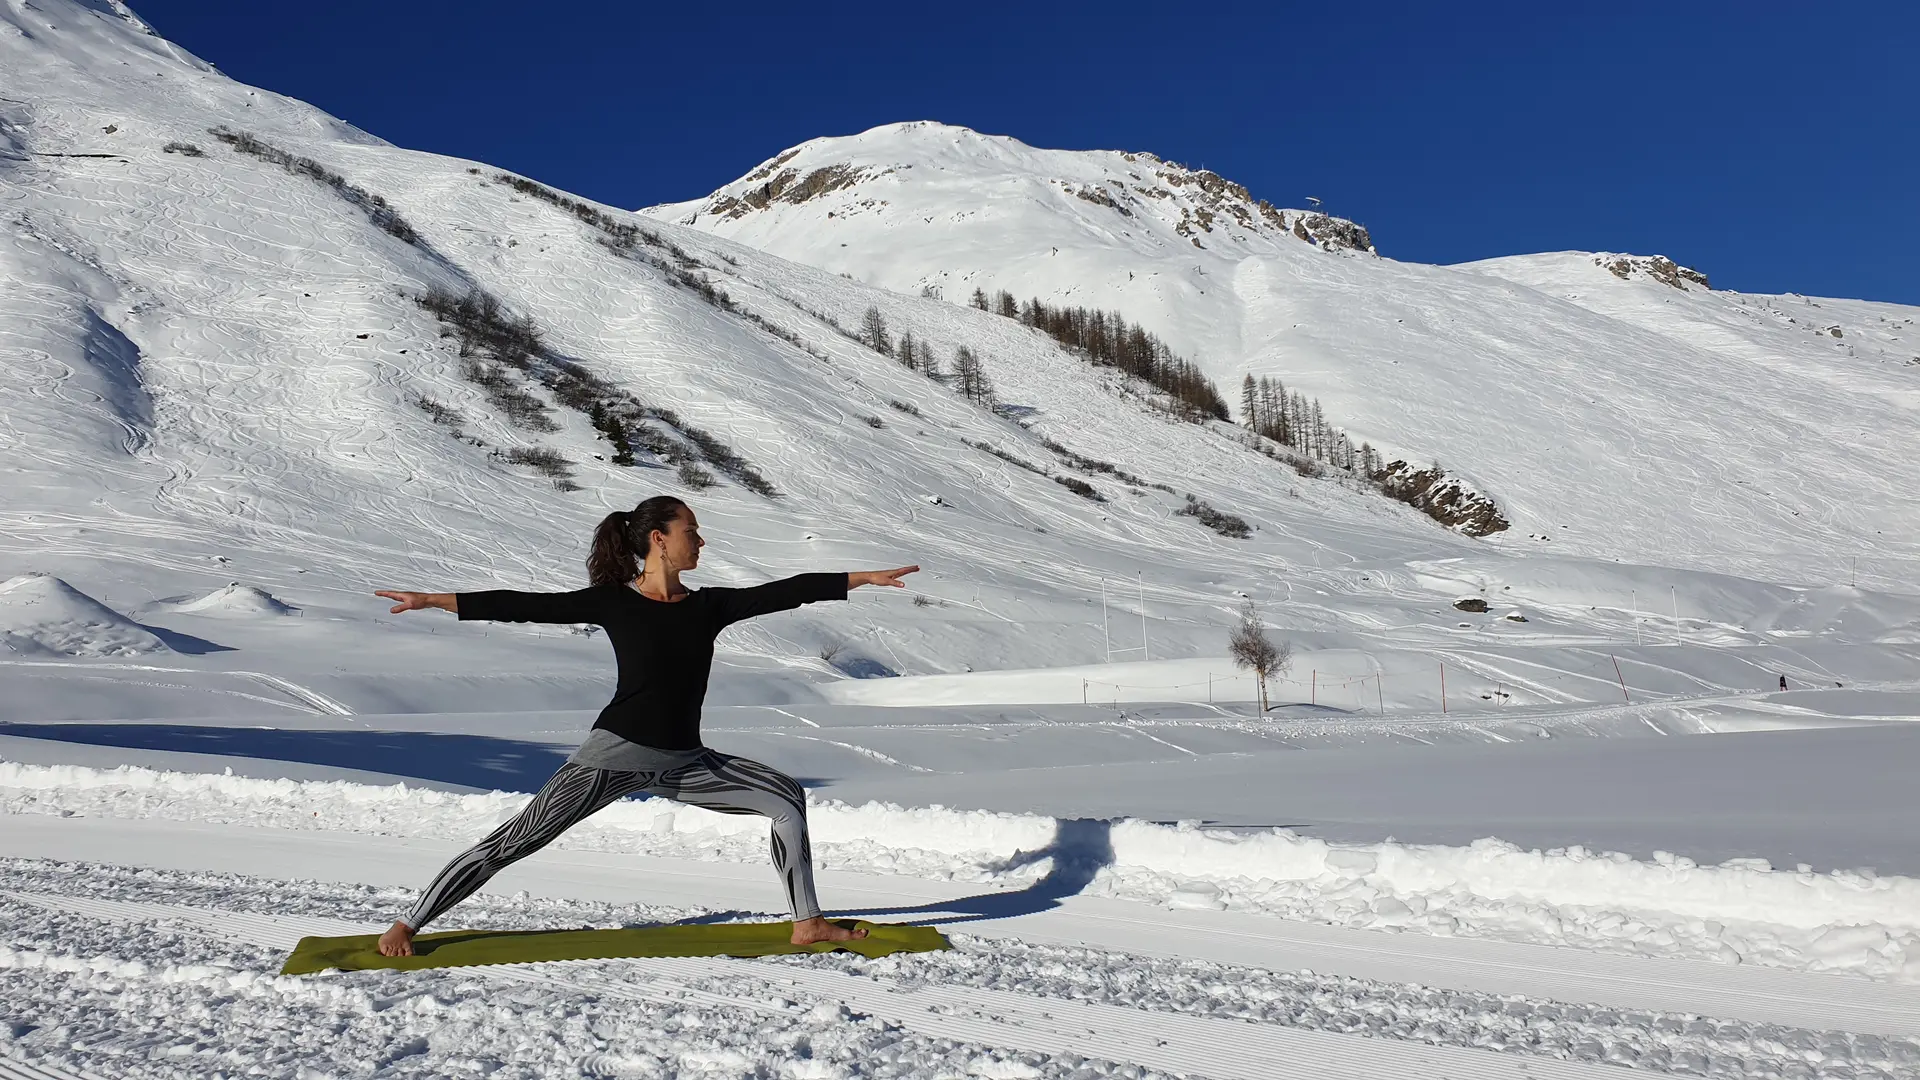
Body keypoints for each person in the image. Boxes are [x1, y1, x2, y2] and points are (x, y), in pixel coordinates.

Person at [371, 495, 919, 956]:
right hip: (613, 759)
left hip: (684, 761)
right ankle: (408, 923)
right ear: (658, 539)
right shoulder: (615, 603)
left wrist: (860, 578)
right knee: (513, 843)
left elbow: (783, 590)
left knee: (784, 797)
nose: (700, 543)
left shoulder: (707, 606)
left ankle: (808, 922)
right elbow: (523, 605)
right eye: (692, 532)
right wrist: (432, 600)